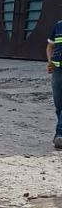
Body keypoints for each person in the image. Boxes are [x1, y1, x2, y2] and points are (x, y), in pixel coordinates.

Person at [48, 18, 62, 149]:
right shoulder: (58, 26)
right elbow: (50, 46)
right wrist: (50, 61)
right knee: (58, 105)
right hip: (57, 69)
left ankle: (59, 134)